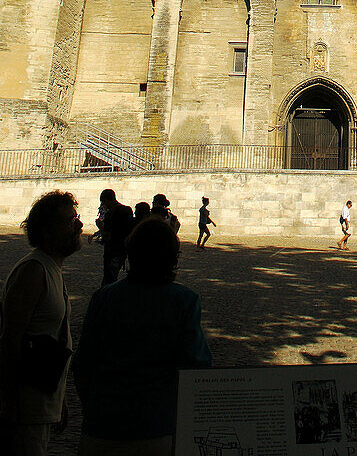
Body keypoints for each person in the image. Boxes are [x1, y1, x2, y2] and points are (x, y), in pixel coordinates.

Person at [73, 216, 212, 454]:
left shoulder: (104, 297)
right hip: (157, 427)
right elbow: (197, 367)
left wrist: (94, 408)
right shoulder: (184, 301)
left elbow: (83, 364)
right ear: (172, 259)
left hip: (102, 426)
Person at [0, 190, 83, 456]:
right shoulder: (33, 271)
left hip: (42, 401)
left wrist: (61, 402)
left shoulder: (51, 267)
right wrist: (10, 403)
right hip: (26, 407)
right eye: (70, 221)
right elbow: (10, 339)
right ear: (48, 231)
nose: (79, 225)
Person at [99, 189, 134, 286]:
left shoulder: (110, 214)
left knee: (108, 280)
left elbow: (107, 236)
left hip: (111, 251)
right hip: (122, 250)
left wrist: (100, 227)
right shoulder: (127, 210)